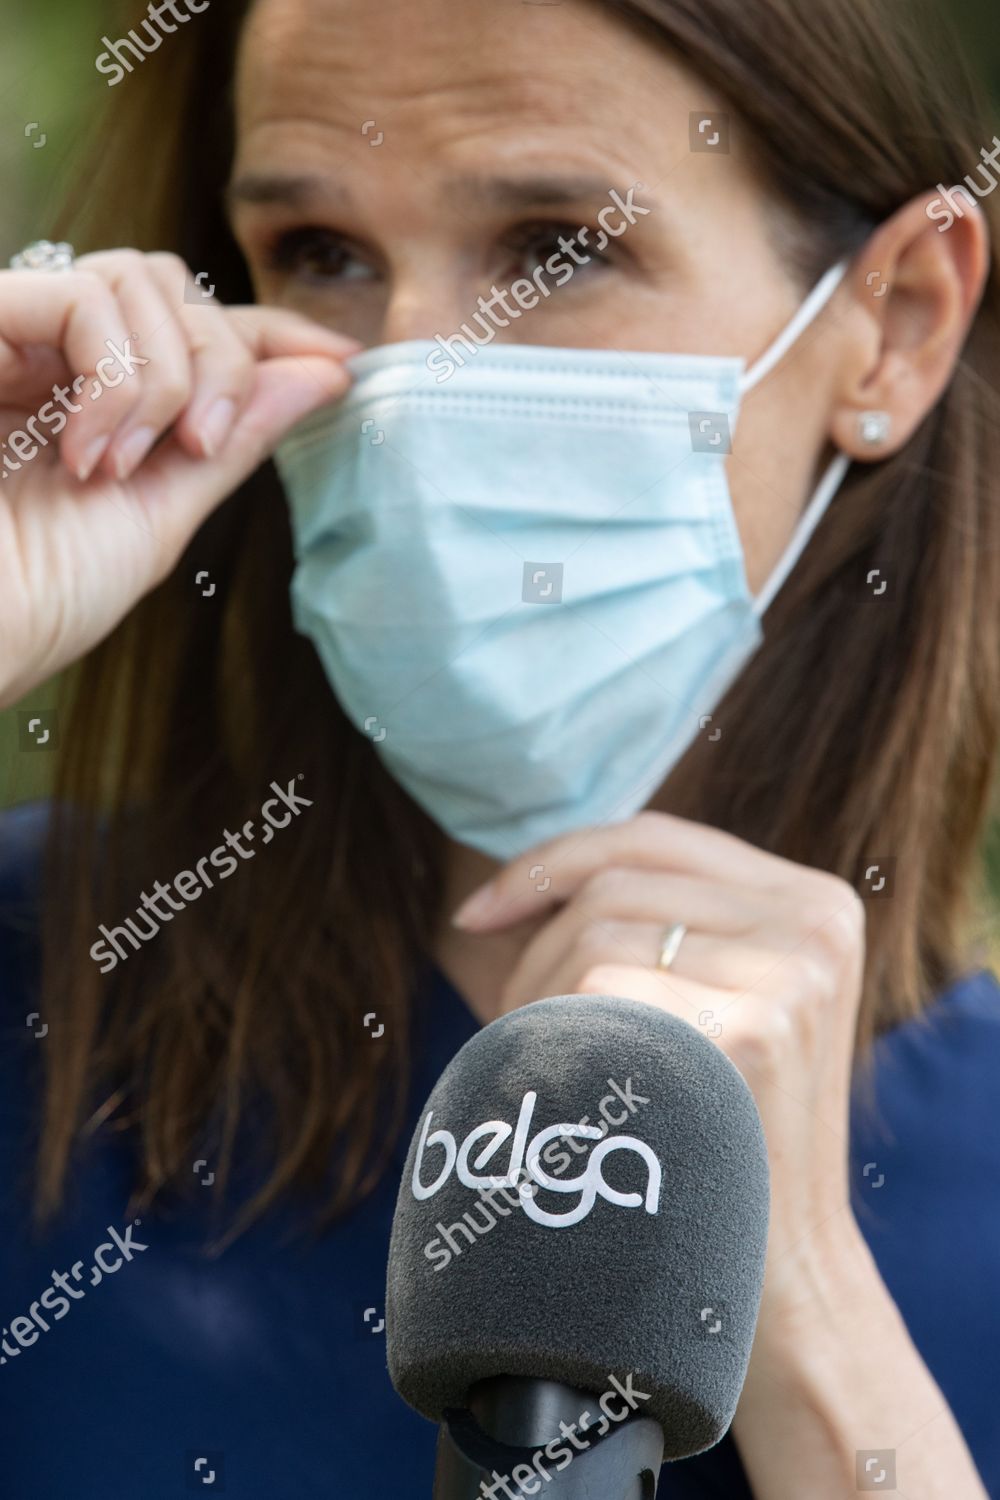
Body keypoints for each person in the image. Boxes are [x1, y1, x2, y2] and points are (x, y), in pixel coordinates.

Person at [1, 0, 998, 1494]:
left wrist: (816, 1325)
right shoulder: (37, 978)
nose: (411, 380)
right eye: (322, 254)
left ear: (898, 322)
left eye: (554, 244)